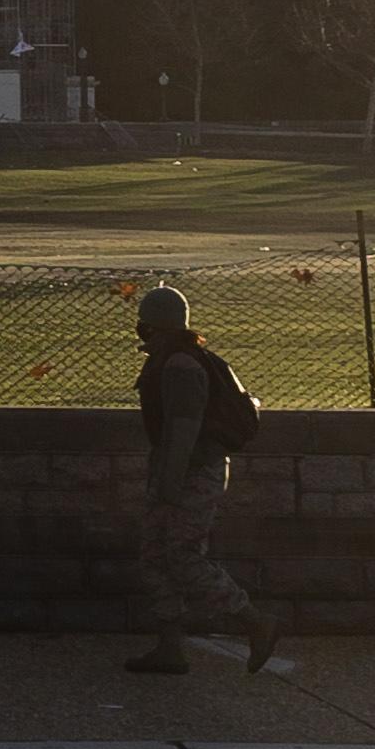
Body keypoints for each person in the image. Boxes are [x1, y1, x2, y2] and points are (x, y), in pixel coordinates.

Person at [130, 283, 286, 676]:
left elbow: (183, 429)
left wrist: (168, 484)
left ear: (156, 326)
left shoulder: (181, 366)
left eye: (143, 326)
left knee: (181, 556)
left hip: (190, 472)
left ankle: (252, 620)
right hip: (179, 468)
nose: (140, 334)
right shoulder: (174, 359)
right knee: (155, 556)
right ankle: (169, 647)